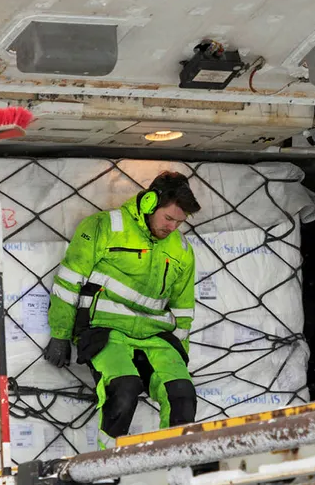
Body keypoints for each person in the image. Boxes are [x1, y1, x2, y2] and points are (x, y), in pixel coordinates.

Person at [43, 171, 201, 449]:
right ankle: (107, 470)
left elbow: (183, 307)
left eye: (179, 222)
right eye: (168, 218)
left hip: (156, 337)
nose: (172, 227)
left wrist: (180, 353)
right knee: (124, 390)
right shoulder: (104, 226)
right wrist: (60, 334)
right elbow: (69, 281)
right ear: (150, 203)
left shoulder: (182, 249)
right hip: (106, 332)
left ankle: (174, 471)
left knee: (182, 396)